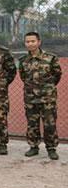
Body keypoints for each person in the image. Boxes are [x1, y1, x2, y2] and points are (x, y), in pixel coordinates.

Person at [19, 32, 62, 160]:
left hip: (47, 98)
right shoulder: (23, 61)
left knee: (50, 124)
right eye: (27, 41)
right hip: (30, 98)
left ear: (39, 42)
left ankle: (51, 148)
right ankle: (33, 147)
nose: (30, 44)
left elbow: (57, 75)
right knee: (32, 124)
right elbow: (23, 77)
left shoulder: (50, 58)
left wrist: (47, 88)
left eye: (33, 41)